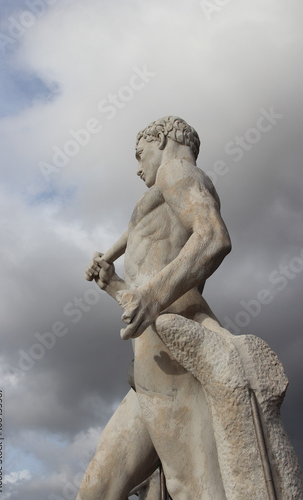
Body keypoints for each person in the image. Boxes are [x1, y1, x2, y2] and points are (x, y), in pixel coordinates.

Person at [77, 116, 232, 500]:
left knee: (193, 486)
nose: (137, 165)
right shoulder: (163, 193)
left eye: (139, 153)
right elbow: (140, 251)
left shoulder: (178, 170)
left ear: (160, 139)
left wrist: (151, 296)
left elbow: (213, 237)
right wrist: (113, 278)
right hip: (152, 357)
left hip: (173, 345)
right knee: (96, 489)